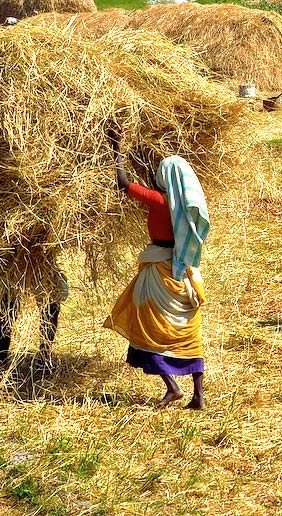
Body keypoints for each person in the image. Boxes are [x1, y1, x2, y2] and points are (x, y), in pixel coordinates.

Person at [105, 132, 210, 410]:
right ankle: (198, 395)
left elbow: (123, 184)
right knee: (187, 332)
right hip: (184, 271)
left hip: (159, 271)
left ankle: (173, 387)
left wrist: (115, 148)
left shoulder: (159, 201)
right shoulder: (189, 207)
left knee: (148, 327)